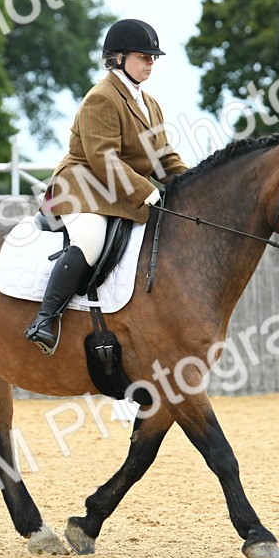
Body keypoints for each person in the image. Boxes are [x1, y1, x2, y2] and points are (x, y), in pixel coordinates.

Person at [24, 18, 189, 354]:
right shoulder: (101, 97)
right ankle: (45, 318)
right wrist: (146, 191)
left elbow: (164, 157)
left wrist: (193, 184)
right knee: (91, 238)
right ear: (118, 58)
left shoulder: (150, 103)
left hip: (117, 189)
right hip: (82, 187)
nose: (150, 63)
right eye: (144, 57)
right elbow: (102, 158)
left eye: (152, 58)